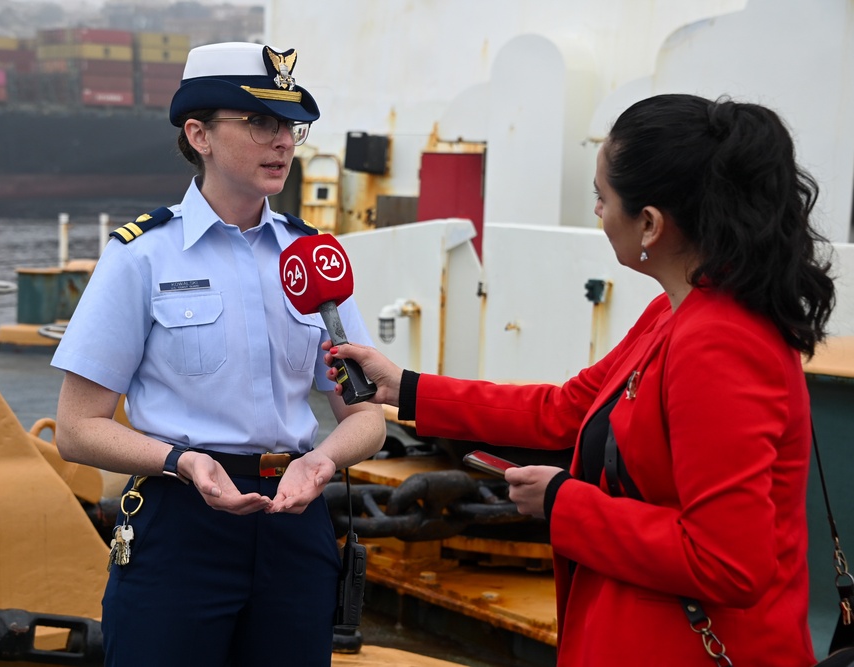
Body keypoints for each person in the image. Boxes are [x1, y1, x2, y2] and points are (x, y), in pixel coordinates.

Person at [327, 93, 835, 666]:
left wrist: (563, 502)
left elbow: (726, 561)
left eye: (602, 197)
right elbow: (566, 410)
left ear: (650, 223)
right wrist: (408, 388)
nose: (597, 212)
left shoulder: (718, 342)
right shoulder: (675, 315)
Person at [51, 41, 385, 666]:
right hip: (181, 525)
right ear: (199, 134)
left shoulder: (312, 256)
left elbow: (364, 415)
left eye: (289, 124)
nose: (283, 141)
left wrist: (320, 464)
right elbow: (76, 428)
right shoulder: (142, 257)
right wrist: (184, 463)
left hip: (296, 518)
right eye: (260, 122)